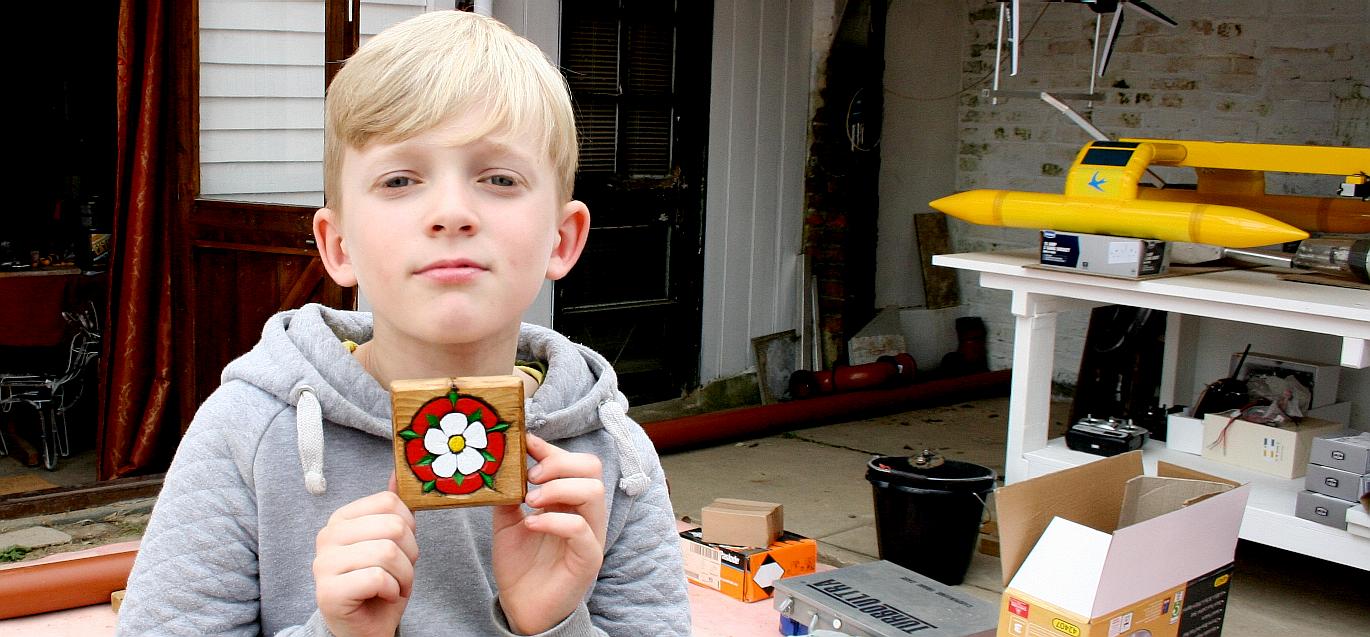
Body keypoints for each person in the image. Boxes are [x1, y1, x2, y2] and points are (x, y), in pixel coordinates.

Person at [117, 11, 690, 636]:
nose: (451, 212)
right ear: (338, 246)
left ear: (562, 238)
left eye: (499, 177)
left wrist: (553, 625)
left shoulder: (612, 459)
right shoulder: (248, 432)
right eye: (400, 179)